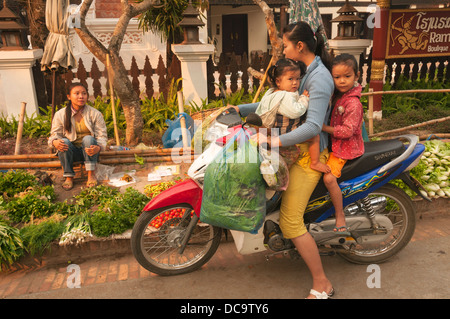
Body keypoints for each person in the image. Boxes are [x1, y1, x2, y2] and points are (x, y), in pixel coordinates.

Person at [236, 21, 335, 299]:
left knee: (291, 222)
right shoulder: (298, 74)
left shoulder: (319, 79)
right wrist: (236, 108)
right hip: (293, 149)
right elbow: (276, 101)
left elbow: (313, 126)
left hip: (307, 155)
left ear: (299, 46)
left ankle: (322, 283)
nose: (283, 48)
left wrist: (273, 140)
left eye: (286, 44)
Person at [256, 58, 330, 173]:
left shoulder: (271, 92)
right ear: (278, 81)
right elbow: (296, 111)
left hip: (273, 129)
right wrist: (304, 98)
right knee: (315, 136)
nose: (295, 82)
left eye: (297, 78)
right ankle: (315, 163)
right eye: (290, 79)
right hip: (287, 131)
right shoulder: (287, 95)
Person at [322, 54, 365, 235]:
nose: (341, 81)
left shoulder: (353, 103)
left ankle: (340, 215)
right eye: (337, 77)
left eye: (347, 76)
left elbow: (348, 131)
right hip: (335, 146)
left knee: (329, 178)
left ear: (356, 75)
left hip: (345, 150)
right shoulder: (338, 94)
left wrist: (324, 128)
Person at [48, 82, 108, 190]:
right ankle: (69, 176)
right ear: (69, 97)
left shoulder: (95, 114)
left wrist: (99, 147)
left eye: (84, 93)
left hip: (90, 151)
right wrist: (54, 142)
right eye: (77, 93)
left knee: (88, 138)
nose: (81, 96)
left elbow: (102, 135)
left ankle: (91, 175)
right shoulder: (60, 114)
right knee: (63, 142)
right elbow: (54, 134)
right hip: (71, 152)